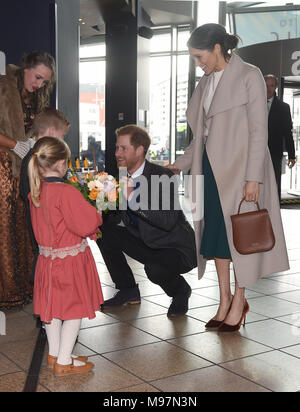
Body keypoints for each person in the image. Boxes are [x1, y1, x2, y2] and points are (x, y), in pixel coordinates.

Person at [168, 24, 289, 331]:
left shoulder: (249, 75)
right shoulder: (206, 82)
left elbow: (258, 131)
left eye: (199, 56)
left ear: (217, 48)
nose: (198, 63)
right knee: (215, 238)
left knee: (241, 239)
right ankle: (224, 299)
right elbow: (202, 136)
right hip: (210, 170)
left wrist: (253, 179)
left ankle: (240, 300)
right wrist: (180, 164)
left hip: (239, 172)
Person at [97, 125, 197, 317]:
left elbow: (167, 221)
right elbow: (112, 214)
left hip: (174, 247)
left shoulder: (162, 176)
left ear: (140, 150)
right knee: (103, 231)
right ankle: (127, 290)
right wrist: (94, 199)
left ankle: (180, 291)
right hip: (146, 241)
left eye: (123, 148)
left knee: (155, 270)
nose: (117, 153)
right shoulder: (120, 175)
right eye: (117, 148)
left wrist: (133, 199)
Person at [28, 136, 103, 376]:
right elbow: (84, 224)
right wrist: (97, 211)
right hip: (69, 263)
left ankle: (55, 353)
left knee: (52, 310)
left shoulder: (35, 194)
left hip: (46, 261)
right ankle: (63, 362)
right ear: (62, 164)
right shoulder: (66, 192)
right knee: (73, 310)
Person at [0, 51, 56, 309]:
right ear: (25, 68)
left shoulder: (38, 96)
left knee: (25, 225)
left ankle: (25, 285)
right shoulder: (3, 85)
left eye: (44, 81)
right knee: (5, 226)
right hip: (2, 163)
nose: (39, 85)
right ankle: (7, 290)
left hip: (24, 167)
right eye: (37, 77)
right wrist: (15, 145)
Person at [264, 74, 296, 201]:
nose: (269, 89)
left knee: (274, 184)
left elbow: (287, 133)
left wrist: (292, 155)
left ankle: (273, 216)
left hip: (274, 154)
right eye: (266, 85)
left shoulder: (283, 107)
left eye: (271, 85)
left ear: (276, 87)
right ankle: (256, 216)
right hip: (254, 152)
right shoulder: (252, 104)